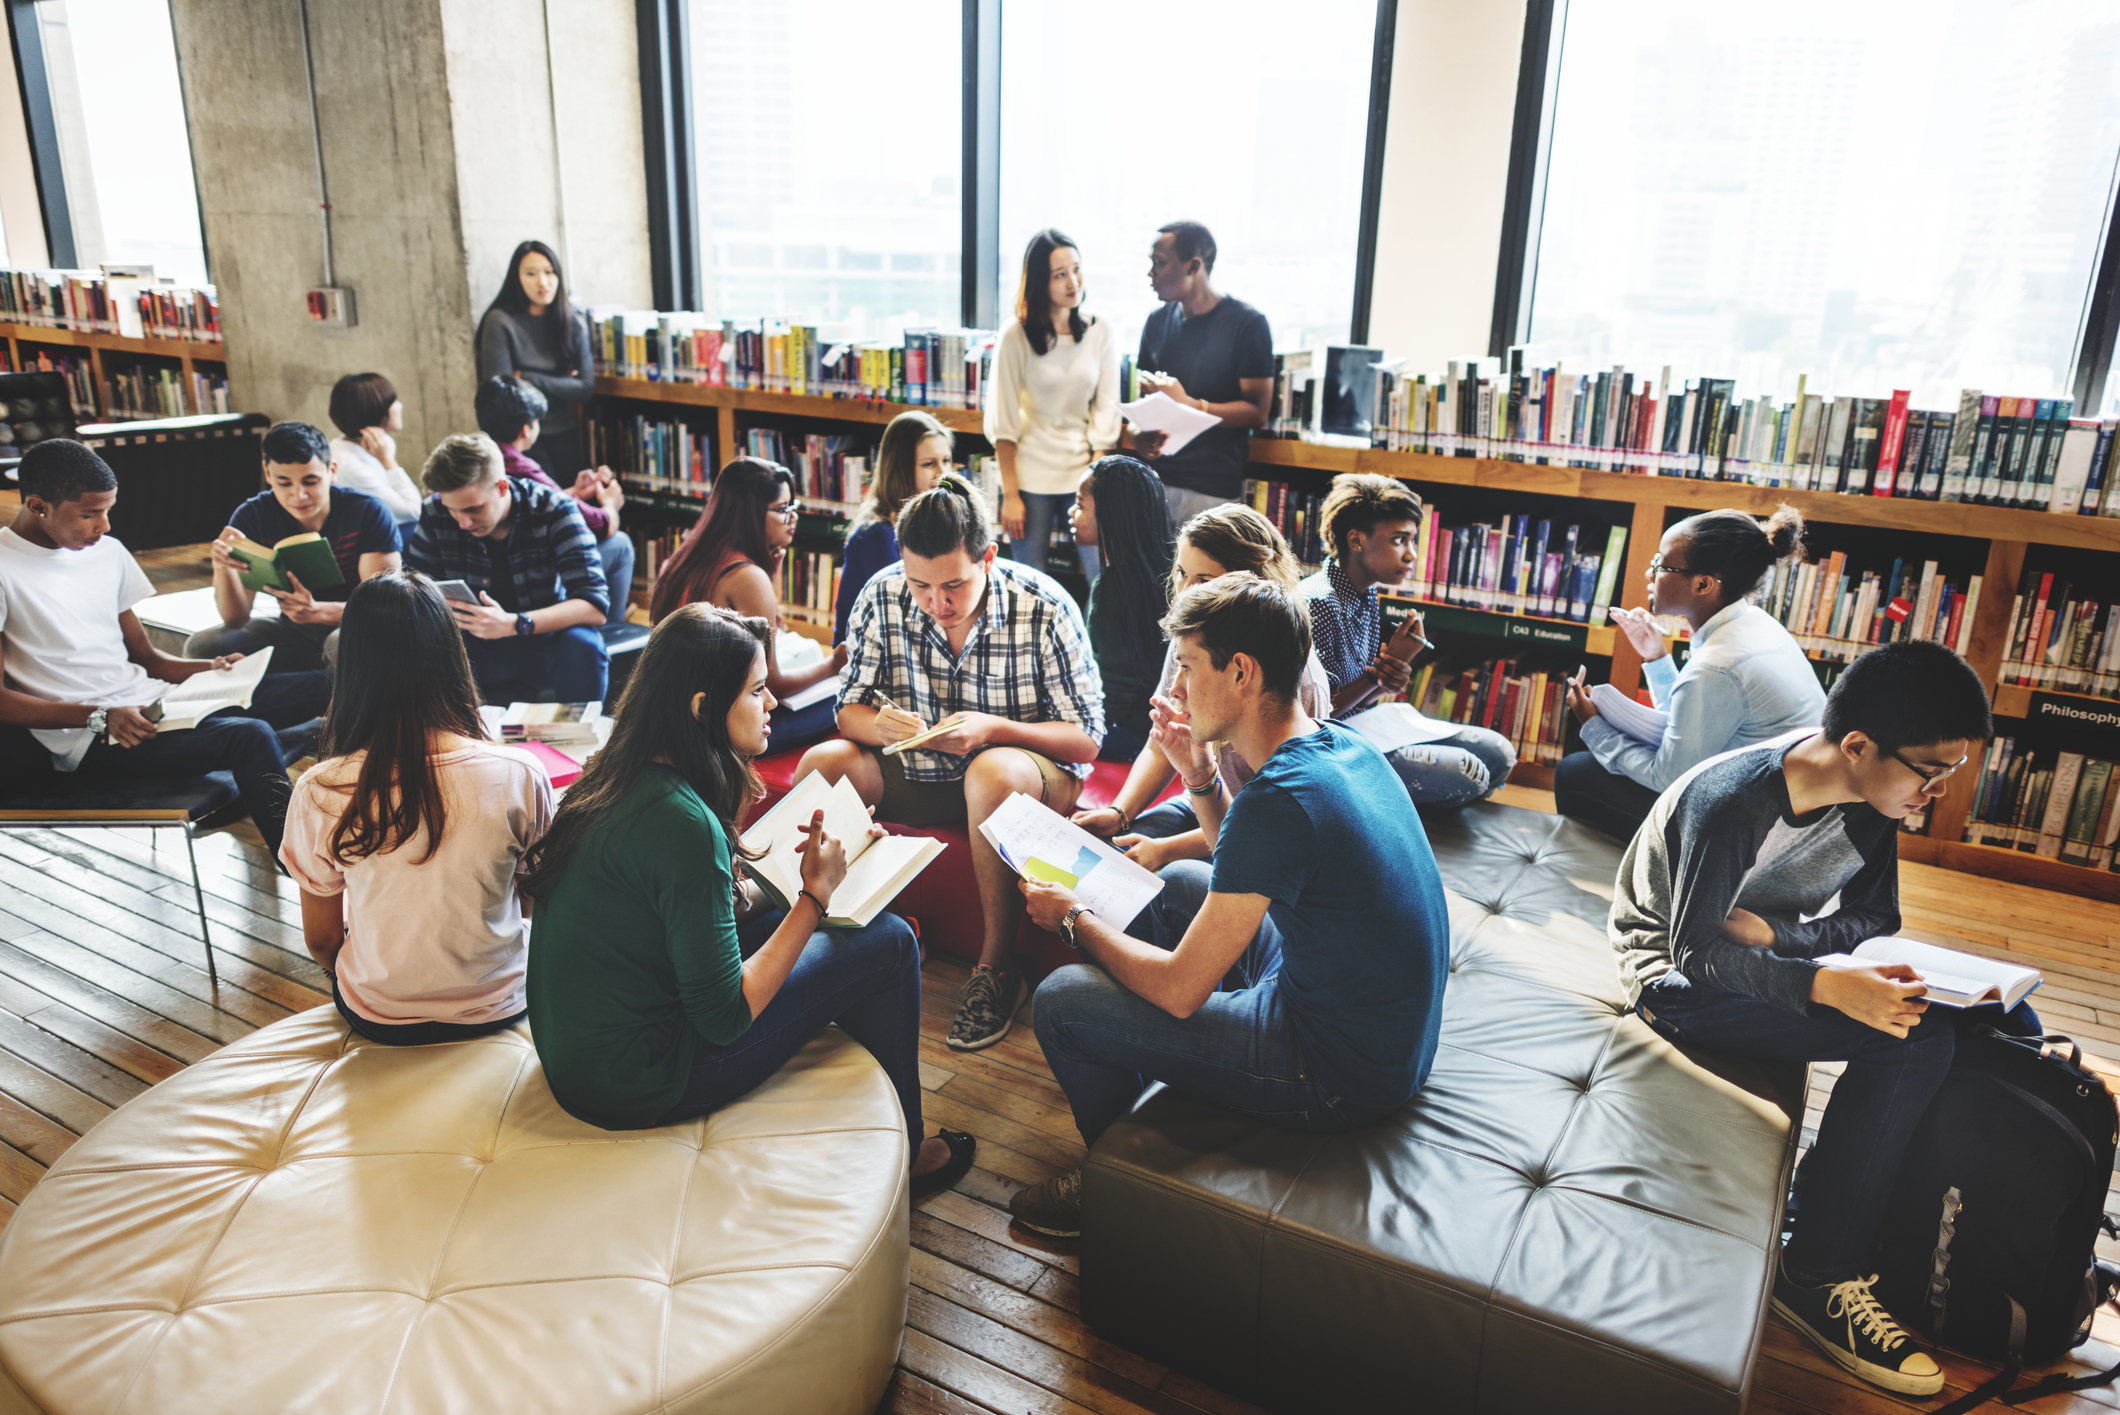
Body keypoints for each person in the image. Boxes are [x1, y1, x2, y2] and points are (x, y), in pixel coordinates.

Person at [1610, 640, 2029, 1396]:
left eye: (1952, 774)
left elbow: (1878, 912)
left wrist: (1784, 940)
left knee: (2005, 1022)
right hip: (1669, 977)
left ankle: (1878, 1217)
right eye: (1931, 772)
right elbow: (1695, 953)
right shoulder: (1738, 800)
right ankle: (1815, 1272)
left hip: (1753, 952)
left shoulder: (1871, 796)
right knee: (1908, 1042)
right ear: (1859, 745)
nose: (1937, 792)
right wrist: (1822, 987)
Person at [1011, 575, 1450, 1237]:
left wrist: (1074, 918)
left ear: (1241, 671)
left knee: (1062, 998)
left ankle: (1123, 1176)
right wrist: (1197, 778)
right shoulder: (1336, 744)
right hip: (1380, 1036)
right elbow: (1239, 859)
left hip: (1336, 1070)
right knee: (1179, 883)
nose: (1175, 689)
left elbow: (1183, 989)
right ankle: (1167, 1113)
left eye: (1186, 668)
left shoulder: (1280, 797)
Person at [520, 602, 976, 1198]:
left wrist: (808, 875)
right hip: (645, 1080)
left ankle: (869, 1131)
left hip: (579, 1059)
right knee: (889, 942)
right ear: (703, 707)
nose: (774, 705)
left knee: (802, 914)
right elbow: (724, 1014)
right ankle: (907, 1157)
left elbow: (690, 914)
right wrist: (813, 896)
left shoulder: (608, 776)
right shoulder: (682, 821)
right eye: (758, 690)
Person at [795, 475, 1103, 1052]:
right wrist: (878, 725)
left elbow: (1087, 739)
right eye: (920, 585)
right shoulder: (881, 593)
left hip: (1023, 778)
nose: (937, 603)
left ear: (989, 556)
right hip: (918, 772)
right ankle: (843, 933)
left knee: (989, 771)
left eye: (954, 585)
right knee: (822, 763)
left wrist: (992, 731)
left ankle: (996, 970)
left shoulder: (1044, 603)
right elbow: (848, 711)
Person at [0, 439, 329, 858]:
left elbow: (149, 659)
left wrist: (209, 668)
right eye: (89, 514)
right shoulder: (3, 568)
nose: (105, 526)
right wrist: (99, 715)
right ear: (37, 506)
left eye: (107, 510)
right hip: (95, 737)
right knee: (250, 737)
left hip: (158, 705)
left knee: (331, 684)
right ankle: (308, 875)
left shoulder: (107, 553)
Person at [281, 572, 552, 1044]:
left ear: (351, 666)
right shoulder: (520, 772)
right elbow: (533, 902)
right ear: (451, 656)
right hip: (498, 1003)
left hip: (378, 1012)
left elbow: (323, 940)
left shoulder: (320, 788)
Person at [1072, 503, 1333, 873]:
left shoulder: (1297, 676)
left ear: (1249, 584)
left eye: (1204, 581)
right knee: (1106, 859)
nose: (1185, 592)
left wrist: (1166, 850)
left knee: (1164, 876)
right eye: (1181, 573)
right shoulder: (1193, 638)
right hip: (1200, 798)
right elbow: (1164, 743)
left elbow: (1273, 821)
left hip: (1261, 829)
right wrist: (1120, 813)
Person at [1557, 505, 1826, 842]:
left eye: (1661, 564)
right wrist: (1655, 656)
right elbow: (1690, 724)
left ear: (1703, 584)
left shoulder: (1717, 666)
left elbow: (1668, 778)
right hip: (1783, 811)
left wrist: (1594, 727)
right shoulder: (1754, 623)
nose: (1649, 573)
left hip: (1750, 834)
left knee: (1574, 772)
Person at [1297, 474, 1514, 807]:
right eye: (1400, 540)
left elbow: (1363, 697)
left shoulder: (1367, 591)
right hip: (1331, 745)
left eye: (1413, 541)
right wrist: (1378, 677)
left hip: (1368, 727)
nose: (1411, 555)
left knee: (1498, 752)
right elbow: (1314, 714)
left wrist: (1387, 677)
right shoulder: (1318, 603)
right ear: (1356, 540)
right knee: (1467, 773)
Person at [648, 456, 848, 750]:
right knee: (845, 701)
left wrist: (769, 574)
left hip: (672, 718)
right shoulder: (747, 576)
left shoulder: (685, 556)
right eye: (782, 509)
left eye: (793, 507)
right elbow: (773, 685)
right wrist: (832, 665)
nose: (793, 517)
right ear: (751, 514)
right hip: (717, 733)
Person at [406, 433, 610, 706]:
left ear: (502, 487)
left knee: (584, 647)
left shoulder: (554, 508)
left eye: (474, 509)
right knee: (414, 647)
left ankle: (577, 738)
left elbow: (593, 606)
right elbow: (414, 591)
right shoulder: (435, 511)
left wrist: (515, 624)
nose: (464, 522)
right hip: (471, 644)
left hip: (541, 635)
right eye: (453, 511)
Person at [188, 421, 404, 675]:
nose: (298, 495)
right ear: (267, 475)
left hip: (353, 626)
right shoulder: (251, 516)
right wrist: (222, 566)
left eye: (310, 481)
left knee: (340, 644)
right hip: (292, 629)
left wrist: (318, 611)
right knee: (204, 645)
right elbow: (235, 619)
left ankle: (325, 705)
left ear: (332, 471)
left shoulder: (367, 511)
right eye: (284, 483)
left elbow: (387, 609)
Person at [985, 229, 1120, 581]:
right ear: (1040, 282)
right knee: (1030, 582)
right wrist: (1010, 494)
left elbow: (1106, 412)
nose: (1073, 282)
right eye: (1060, 275)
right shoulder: (1015, 334)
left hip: (1085, 474)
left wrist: (1094, 482)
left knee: (1102, 579)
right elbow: (1003, 420)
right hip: (1031, 480)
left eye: (1077, 269)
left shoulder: (1100, 330)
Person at [1124, 221, 1274, 525]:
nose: (1150, 273)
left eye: (1160, 263)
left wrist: (1191, 404)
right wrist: (1137, 435)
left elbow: (1258, 412)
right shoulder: (1156, 322)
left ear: (1194, 266)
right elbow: (1142, 408)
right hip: (1155, 481)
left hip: (1212, 488)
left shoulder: (1247, 324)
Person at [474, 374, 634, 628]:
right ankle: (610, 634)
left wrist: (572, 492)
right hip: (536, 572)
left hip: (495, 573)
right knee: (621, 544)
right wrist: (610, 505)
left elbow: (536, 504)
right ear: (527, 428)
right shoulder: (522, 467)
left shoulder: (479, 457)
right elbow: (599, 525)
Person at [1066, 455, 1173, 761]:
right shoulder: (1167, 569)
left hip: (1131, 735)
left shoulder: (1113, 587)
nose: (1071, 512)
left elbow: (1110, 694)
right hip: (1156, 726)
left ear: (1112, 515)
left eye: (1080, 504)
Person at [476, 239, 595, 479]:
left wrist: (528, 377)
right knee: (547, 506)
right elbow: (502, 395)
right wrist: (561, 382)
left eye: (549, 272)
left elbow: (584, 388)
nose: (543, 282)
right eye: (531, 273)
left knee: (578, 498)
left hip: (563, 429)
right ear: (516, 278)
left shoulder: (572, 323)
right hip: (519, 436)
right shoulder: (500, 321)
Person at [833, 410, 953, 643]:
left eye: (946, 460)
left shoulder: (929, 522)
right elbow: (908, 617)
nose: (943, 473)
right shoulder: (878, 534)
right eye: (929, 464)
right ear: (901, 470)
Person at [326, 372, 424, 530]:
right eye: (392, 402)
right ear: (376, 411)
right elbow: (414, 511)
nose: (400, 406)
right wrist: (387, 461)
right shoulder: (350, 464)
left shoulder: (379, 444)